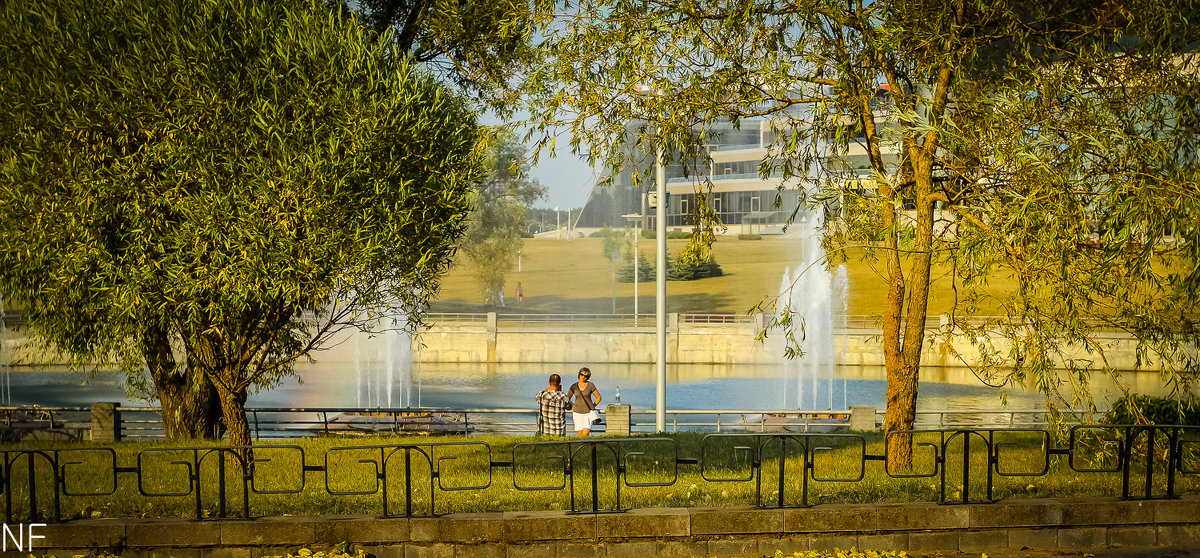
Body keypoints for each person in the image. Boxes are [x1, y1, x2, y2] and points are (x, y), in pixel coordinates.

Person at [567, 367, 602, 436]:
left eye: (586, 376)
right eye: (582, 374)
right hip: (577, 413)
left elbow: (599, 398)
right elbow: (567, 398)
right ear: (579, 375)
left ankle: (588, 445)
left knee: (585, 433)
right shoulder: (574, 386)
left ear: (588, 377)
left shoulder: (591, 385)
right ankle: (585, 446)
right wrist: (573, 405)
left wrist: (592, 406)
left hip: (588, 413)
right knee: (580, 434)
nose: (583, 377)